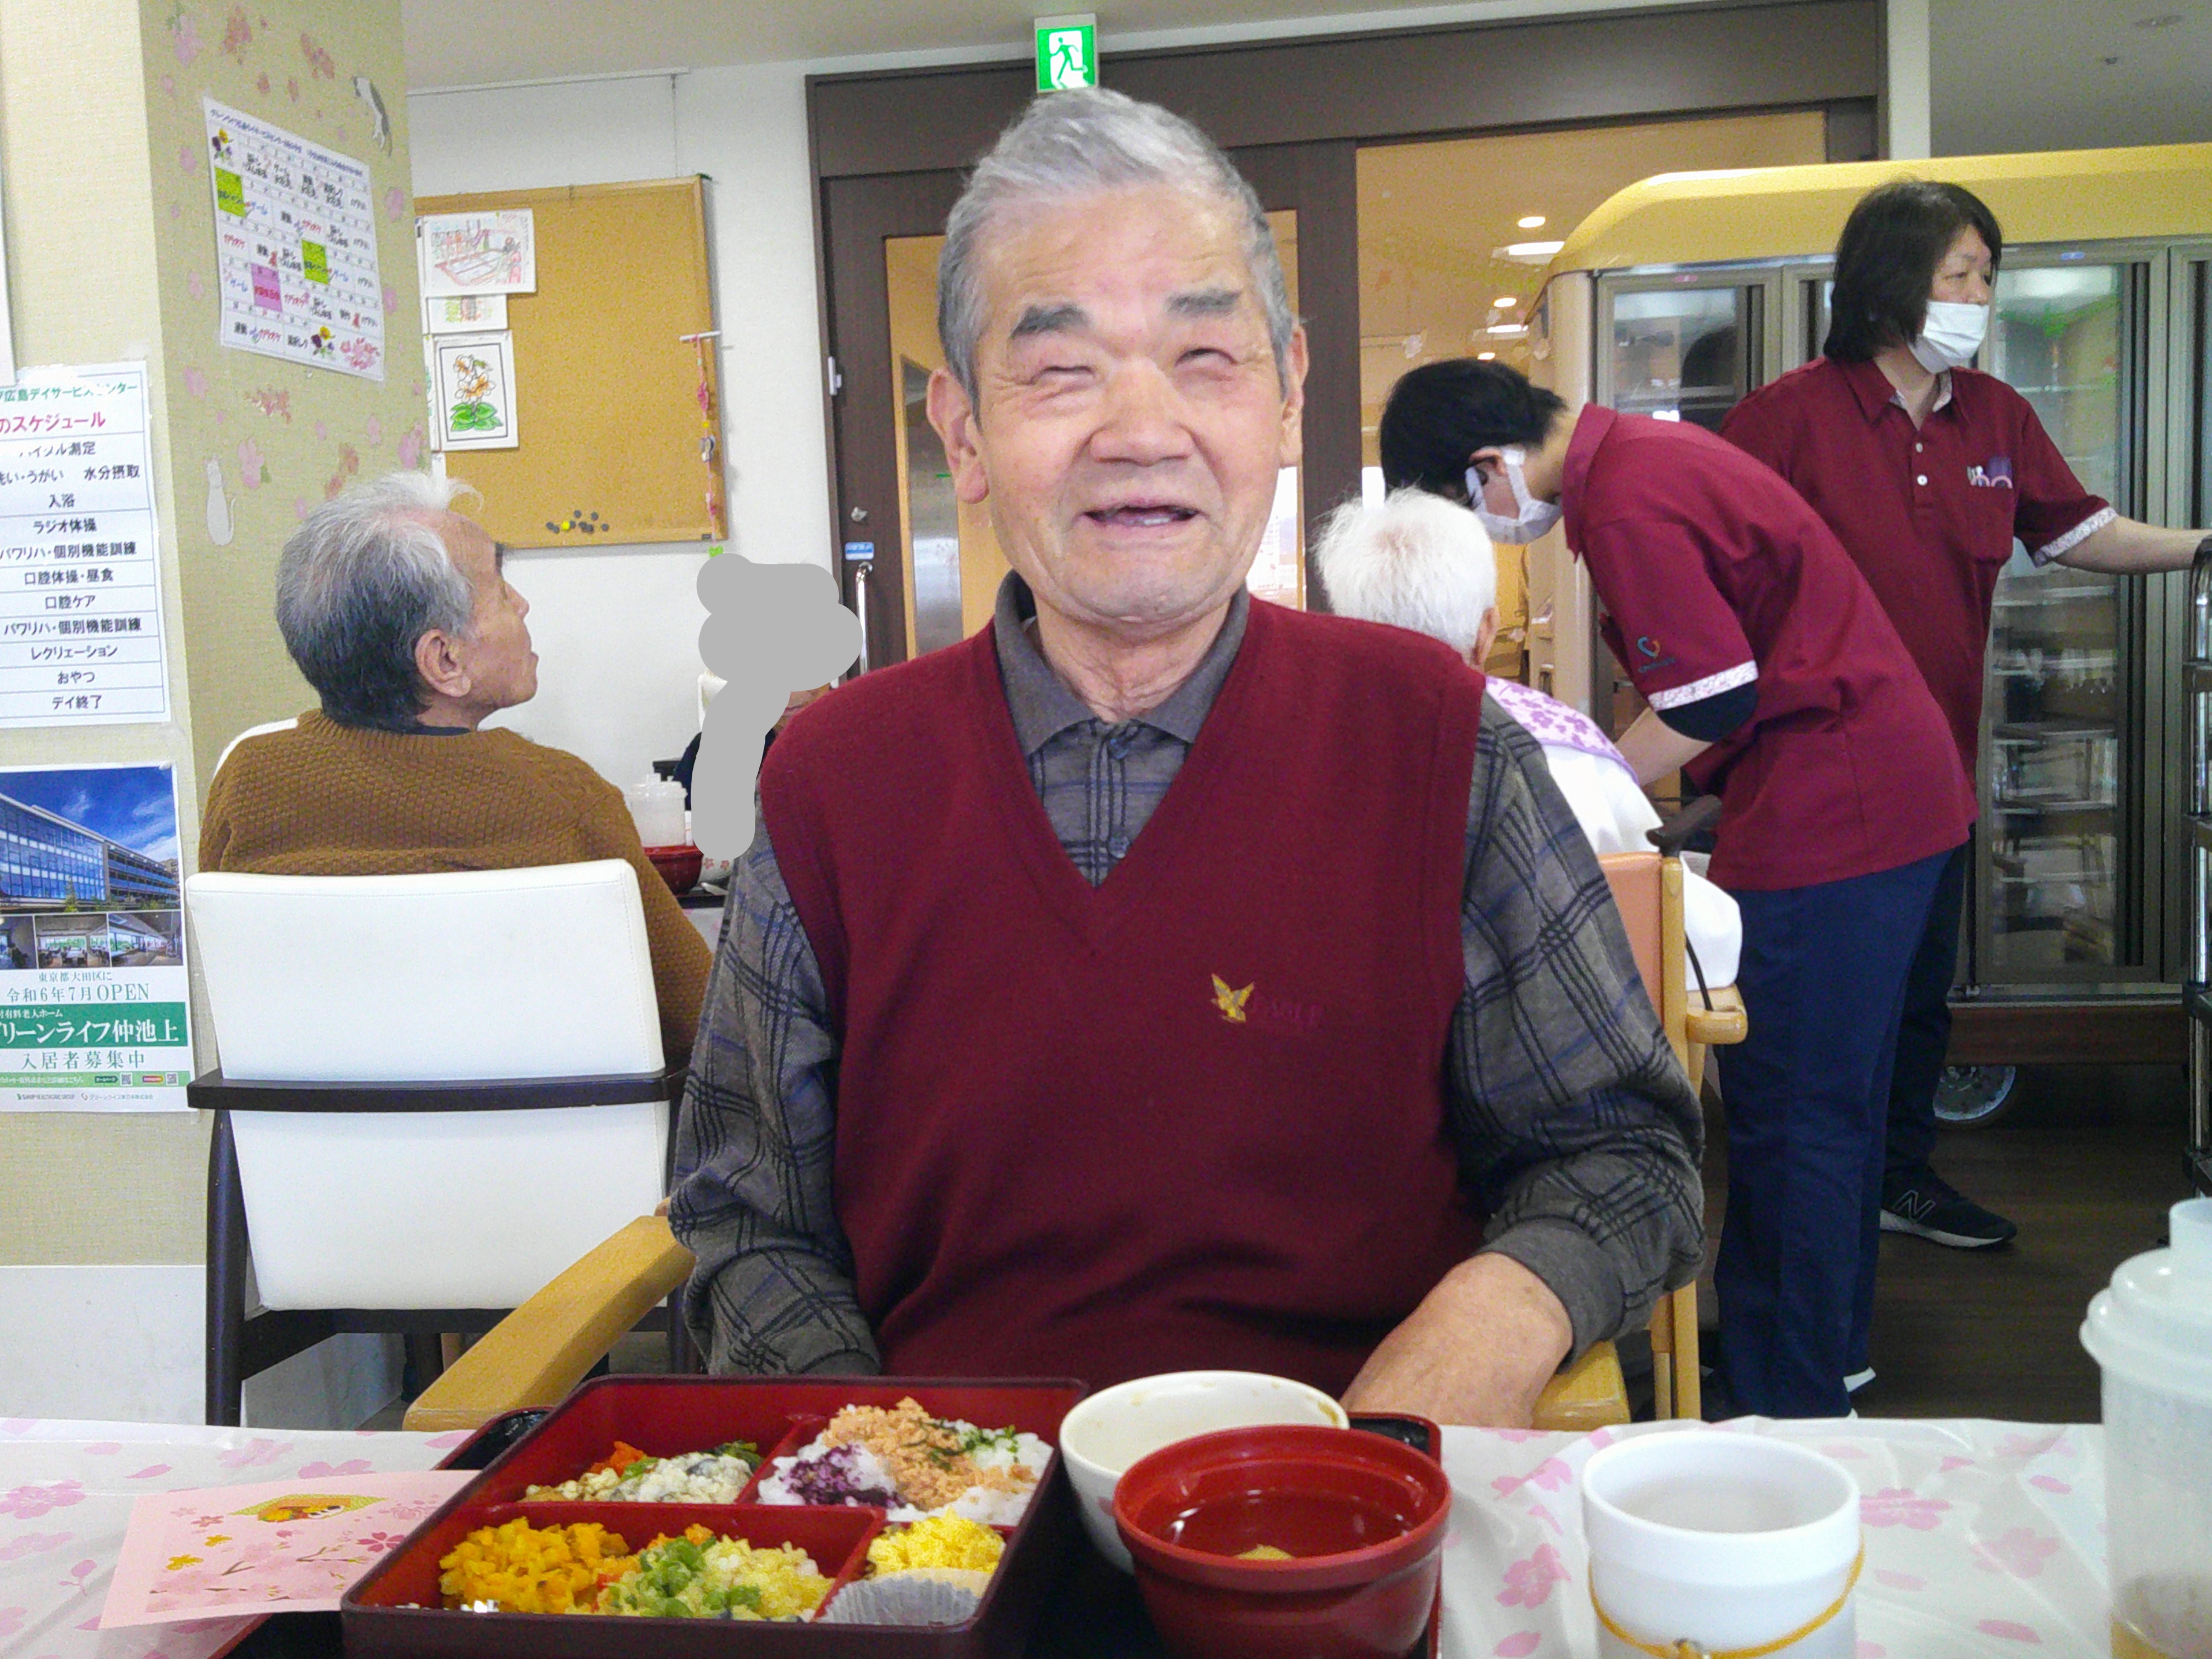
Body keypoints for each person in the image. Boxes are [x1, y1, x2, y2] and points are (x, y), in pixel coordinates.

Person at [670, 87, 1704, 1427]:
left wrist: (1488, 1326)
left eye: (1205, 357)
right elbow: (744, 1218)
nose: (1141, 430)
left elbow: (1619, 1154)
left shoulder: (1440, 742)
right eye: (1060, 369)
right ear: (963, 433)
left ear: (1287, 394)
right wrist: (889, 1463)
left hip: (1351, 1488)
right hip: (956, 1511)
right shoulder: (834, 777)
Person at [1379, 357, 1974, 1419]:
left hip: (1839, 806)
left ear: (1485, 470)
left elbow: (1708, 699)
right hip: (1882, 793)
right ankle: (1824, 1358)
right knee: (1835, 1110)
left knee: (1794, 1116)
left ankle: (1789, 1401)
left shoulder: (1627, 500)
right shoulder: (1646, 460)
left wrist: (1575, 775)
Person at [1721, 180, 2212, 1255]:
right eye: (1958, 274)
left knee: (1915, 997)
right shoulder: (1785, 418)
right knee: (1826, 1019)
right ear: (1888, 283)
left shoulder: (1993, 414)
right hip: (1814, 783)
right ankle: (1820, 1220)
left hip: (1936, 771)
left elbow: (2075, 529)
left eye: (1987, 276)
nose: (1978, 297)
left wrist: (2200, 546)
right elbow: (1710, 576)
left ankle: (1897, 1180)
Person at [199, 472, 711, 1061]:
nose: (523, 603)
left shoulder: (249, 780)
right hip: (543, 1117)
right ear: (443, 660)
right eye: (499, 589)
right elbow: (702, 1022)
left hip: (314, 1117)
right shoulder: (563, 797)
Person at [1314, 486, 1739, 987]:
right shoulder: (1566, 750)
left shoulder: (1300, 752)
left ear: (1344, 629)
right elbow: (1678, 941)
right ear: (1486, 630)